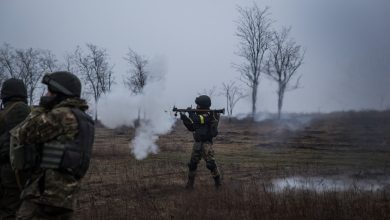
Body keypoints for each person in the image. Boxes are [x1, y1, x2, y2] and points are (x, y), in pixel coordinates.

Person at [9, 71, 95, 219]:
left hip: (43, 196)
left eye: (49, 91)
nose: (46, 95)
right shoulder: (86, 120)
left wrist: (41, 108)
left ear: (59, 93)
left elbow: (22, 133)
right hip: (67, 197)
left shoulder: (61, 115)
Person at [0, 79, 30, 219]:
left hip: (5, 166)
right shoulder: (22, 109)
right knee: (9, 210)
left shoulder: (4, 111)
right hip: (13, 170)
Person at [180, 95, 222, 189]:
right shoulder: (200, 115)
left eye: (198, 105)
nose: (197, 107)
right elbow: (192, 127)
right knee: (192, 164)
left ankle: (218, 184)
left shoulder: (209, 115)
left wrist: (191, 113)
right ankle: (190, 184)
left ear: (202, 105)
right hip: (197, 143)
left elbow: (198, 119)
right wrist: (184, 118)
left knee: (211, 164)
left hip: (206, 143)